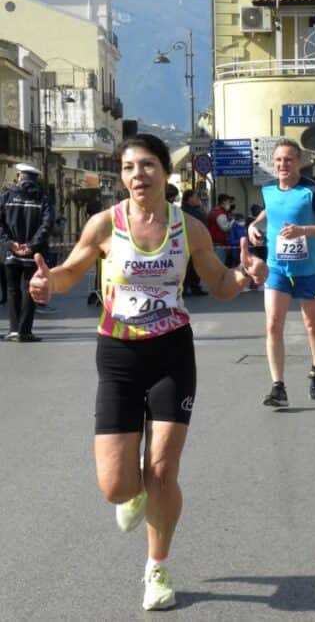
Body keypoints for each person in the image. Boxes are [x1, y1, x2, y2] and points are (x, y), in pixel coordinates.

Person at [28, 133, 267, 610]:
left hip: (171, 354)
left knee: (162, 470)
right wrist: (46, 282)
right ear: (123, 176)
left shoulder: (190, 228)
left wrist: (245, 277)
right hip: (118, 355)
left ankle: (157, 568)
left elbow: (219, 286)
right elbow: (71, 271)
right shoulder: (104, 225)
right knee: (116, 485)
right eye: (130, 167)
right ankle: (132, 494)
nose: (139, 175)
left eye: (148, 166)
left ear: (164, 171)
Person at [248, 137, 315, 408]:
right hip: (277, 269)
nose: (282, 165)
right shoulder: (268, 190)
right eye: (278, 160)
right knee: (273, 325)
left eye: (288, 160)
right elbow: (271, 210)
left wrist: (304, 231)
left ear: (299, 162)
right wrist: (254, 225)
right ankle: (278, 386)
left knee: (312, 324)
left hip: (309, 270)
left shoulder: (312, 191)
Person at [0, 162, 53, 342]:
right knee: (30, 290)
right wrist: (31, 245)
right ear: (35, 179)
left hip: (11, 254)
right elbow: (47, 225)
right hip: (34, 255)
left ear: (20, 177)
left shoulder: (7, 196)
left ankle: (14, 330)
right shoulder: (43, 199)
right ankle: (25, 331)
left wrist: (10, 244)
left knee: (13, 290)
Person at [181, 190, 207, 296]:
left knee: (196, 266)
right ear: (189, 199)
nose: (198, 200)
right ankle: (185, 287)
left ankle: (194, 286)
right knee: (188, 266)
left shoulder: (196, 210)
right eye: (196, 197)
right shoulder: (185, 211)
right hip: (187, 242)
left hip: (198, 241)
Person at [207, 193, 235, 264]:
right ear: (224, 202)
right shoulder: (220, 213)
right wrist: (233, 221)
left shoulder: (214, 211)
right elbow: (225, 228)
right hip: (219, 244)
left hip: (213, 242)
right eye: (229, 202)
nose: (230, 204)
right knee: (219, 264)